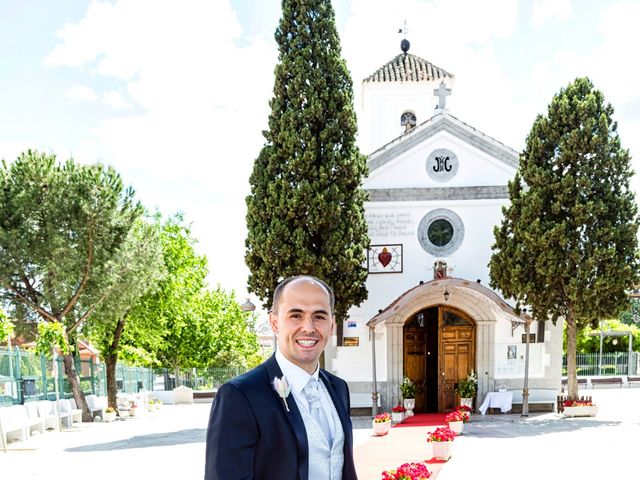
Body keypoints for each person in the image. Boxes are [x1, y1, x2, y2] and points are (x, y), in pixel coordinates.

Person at [204, 275, 358, 480]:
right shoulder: (240, 395)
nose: (309, 328)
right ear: (275, 323)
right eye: (296, 315)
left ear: (332, 325)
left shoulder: (338, 388)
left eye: (319, 316)